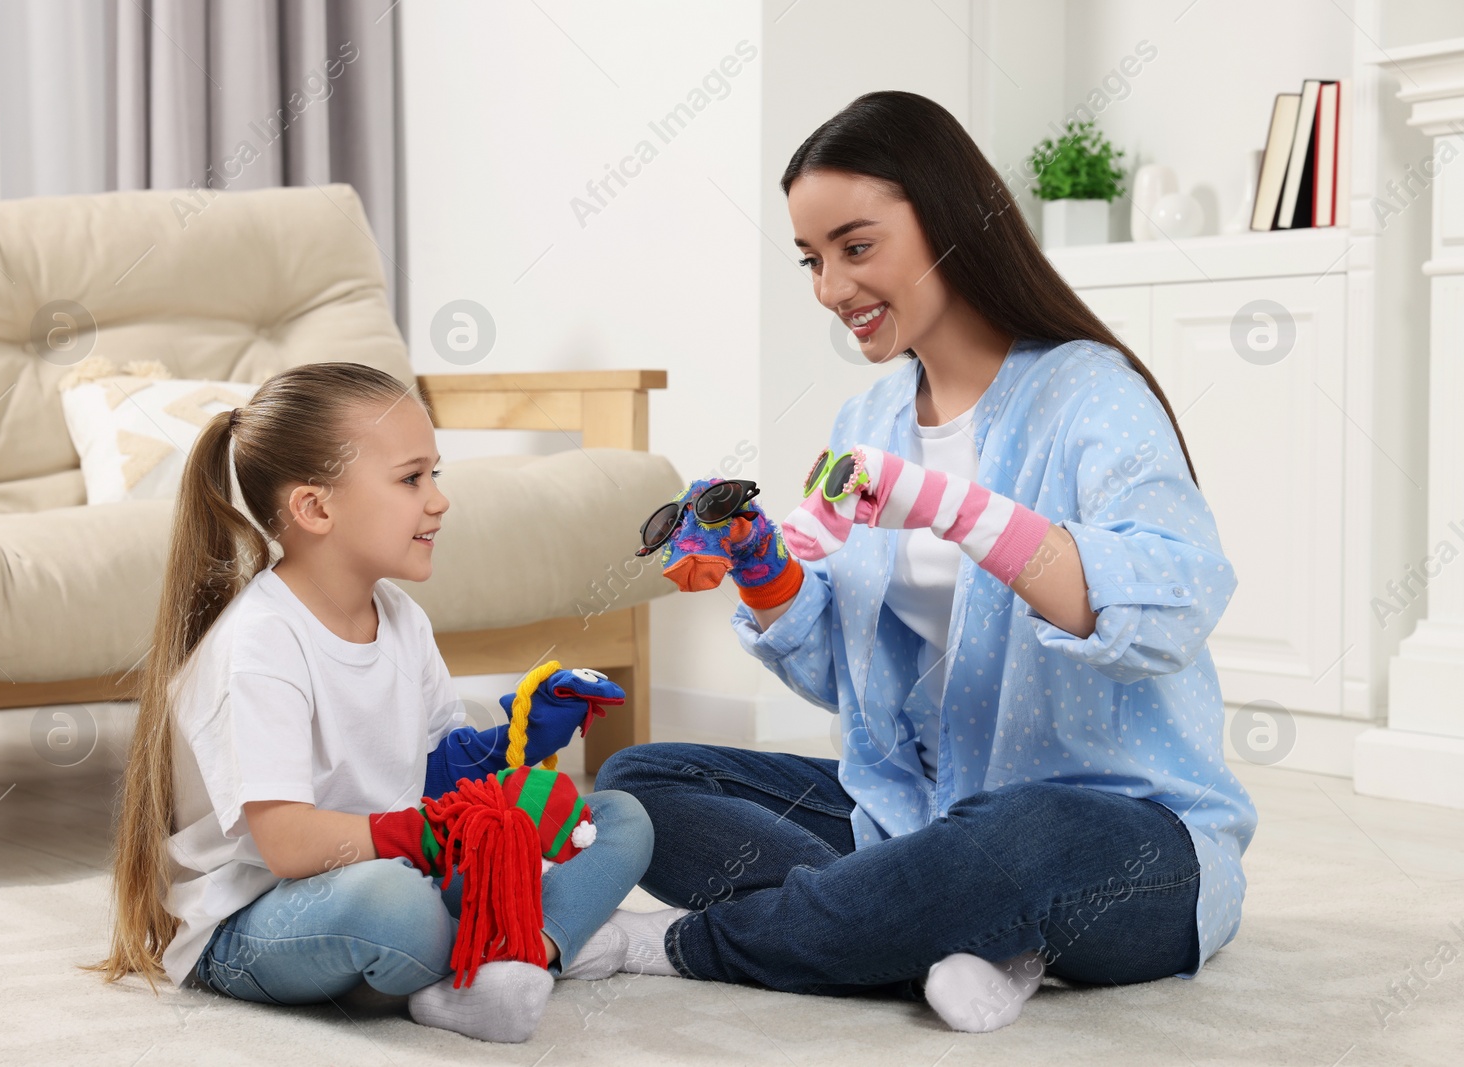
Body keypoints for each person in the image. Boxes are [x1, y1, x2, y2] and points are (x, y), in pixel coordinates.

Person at [594, 90, 1257, 1034]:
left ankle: (669, 945)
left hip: (1122, 838)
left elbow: (1173, 601)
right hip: (919, 817)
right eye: (812, 260)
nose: (829, 288)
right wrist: (759, 563)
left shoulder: (1088, 395)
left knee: (1017, 839)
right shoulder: (866, 426)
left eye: (855, 248)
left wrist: (948, 506)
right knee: (640, 785)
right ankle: (947, 932)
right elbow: (845, 677)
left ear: (949, 220)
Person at [82, 362, 655, 1044]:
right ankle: (542, 938)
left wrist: (517, 742)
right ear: (316, 508)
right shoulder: (259, 642)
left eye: (434, 474)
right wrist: (425, 837)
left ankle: (515, 959)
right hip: (261, 912)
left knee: (620, 816)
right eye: (412, 478)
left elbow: (438, 772)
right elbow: (289, 843)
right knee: (397, 905)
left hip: (399, 865)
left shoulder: (401, 618)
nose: (439, 499)